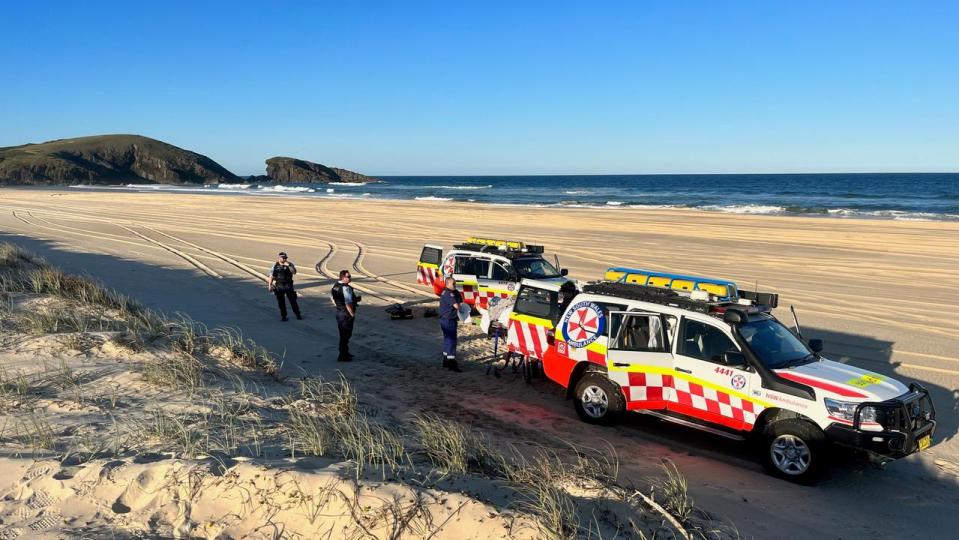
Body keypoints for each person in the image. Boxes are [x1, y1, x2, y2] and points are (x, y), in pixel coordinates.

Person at [331, 269, 358, 362]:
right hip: (346, 314)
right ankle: (343, 356)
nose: (350, 278)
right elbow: (348, 303)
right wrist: (352, 314)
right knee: (346, 335)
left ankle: (345, 353)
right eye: (348, 276)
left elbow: (333, 298)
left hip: (340, 313)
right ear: (343, 277)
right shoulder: (345, 288)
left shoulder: (335, 286)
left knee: (343, 335)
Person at [439, 277, 463, 372]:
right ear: (447, 284)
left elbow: (460, 300)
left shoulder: (453, 292)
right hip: (448, 320)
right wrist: (460, 306)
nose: (455, 285)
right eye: (453, 284)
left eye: (455, 283)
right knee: (451, 341)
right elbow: (457, 306)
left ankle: (446, 360)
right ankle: (451, 362)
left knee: (447, 340)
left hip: (449, 319)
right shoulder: (448, 294)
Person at [268, 252, 301, 321]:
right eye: (283, 258)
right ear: (279, 258)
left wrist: (288, 265)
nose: (284, 259)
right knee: (281, 302)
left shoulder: (290, 264)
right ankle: (284, 316)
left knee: (293, 301)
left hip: (288, 285)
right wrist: (269, 285)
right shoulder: (274, 265)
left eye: (285, 258)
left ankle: (298, 314)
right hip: (279, 286)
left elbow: (294, 272)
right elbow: (271, 276)